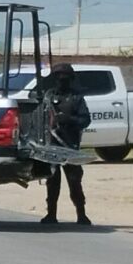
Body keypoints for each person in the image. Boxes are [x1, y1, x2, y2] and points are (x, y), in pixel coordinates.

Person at [41, 63, 92, 225]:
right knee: (52, 183)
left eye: (65, 78)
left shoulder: (76, 98)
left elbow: (85, 120)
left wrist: (69, 120)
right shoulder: (48, 97)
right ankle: (51, 214)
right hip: (51, 147)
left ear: (70, 79)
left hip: (70, 147)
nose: (62, 81)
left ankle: (81, 214)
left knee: (75, 183)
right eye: (59, 77)